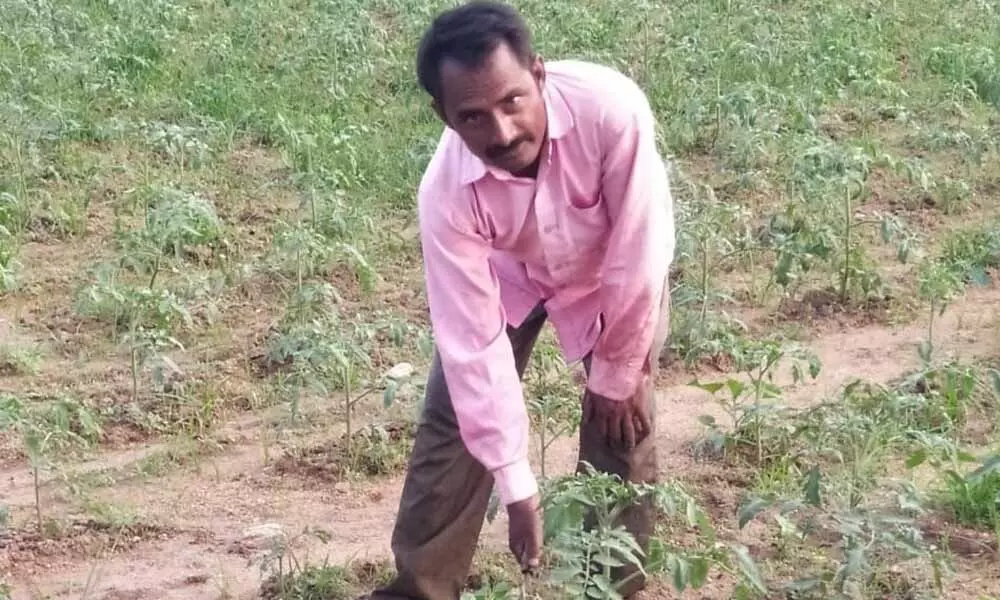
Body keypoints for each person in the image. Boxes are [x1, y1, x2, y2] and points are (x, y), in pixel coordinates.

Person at [367, 1, 675, 598]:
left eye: (512, 101)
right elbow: (473, 346)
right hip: (509, 274)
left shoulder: (611, 112)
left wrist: (617, 371)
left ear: (538, 73)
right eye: (474, 117)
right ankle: (422, 587)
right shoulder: (446, 194)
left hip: (608, 274)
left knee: (622, 421)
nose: (502, 132)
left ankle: (608, 587)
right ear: (444, 116)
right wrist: (518, 489)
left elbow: (639, 253)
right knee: (455, 414)